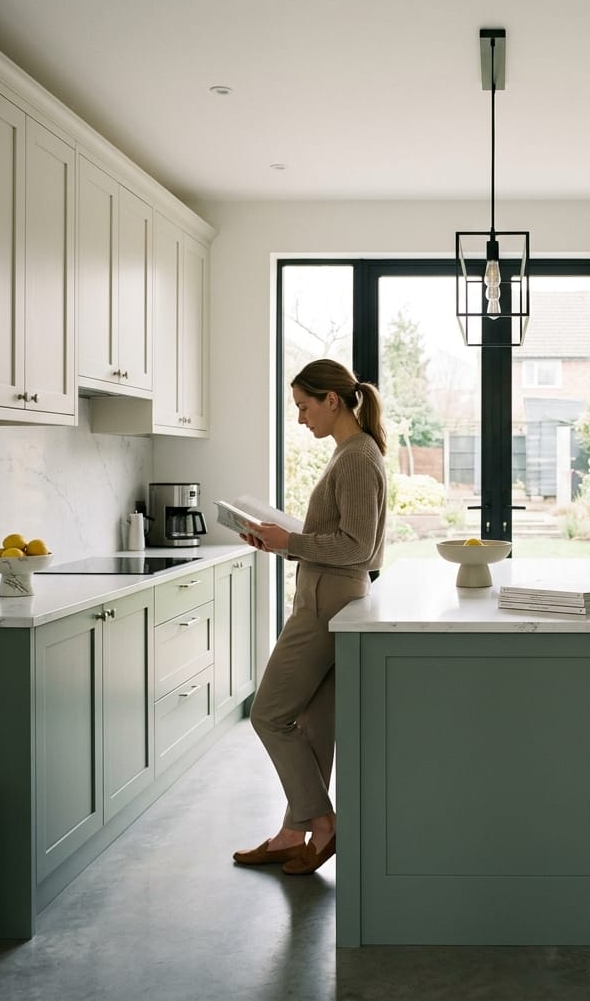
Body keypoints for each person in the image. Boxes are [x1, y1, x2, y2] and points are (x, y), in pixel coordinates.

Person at [233, 359, 387, 875]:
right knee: (314, 724)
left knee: (268, 714)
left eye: (304, 406)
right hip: (328, 593)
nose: (300, 418)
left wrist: (292, 541)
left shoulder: (357, 457)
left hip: (327, 600)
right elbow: (340, 538)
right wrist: (280, 541)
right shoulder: (350, 453)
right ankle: (291, 833)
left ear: (332, 401)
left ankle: (322, 824)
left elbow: (357, 547)